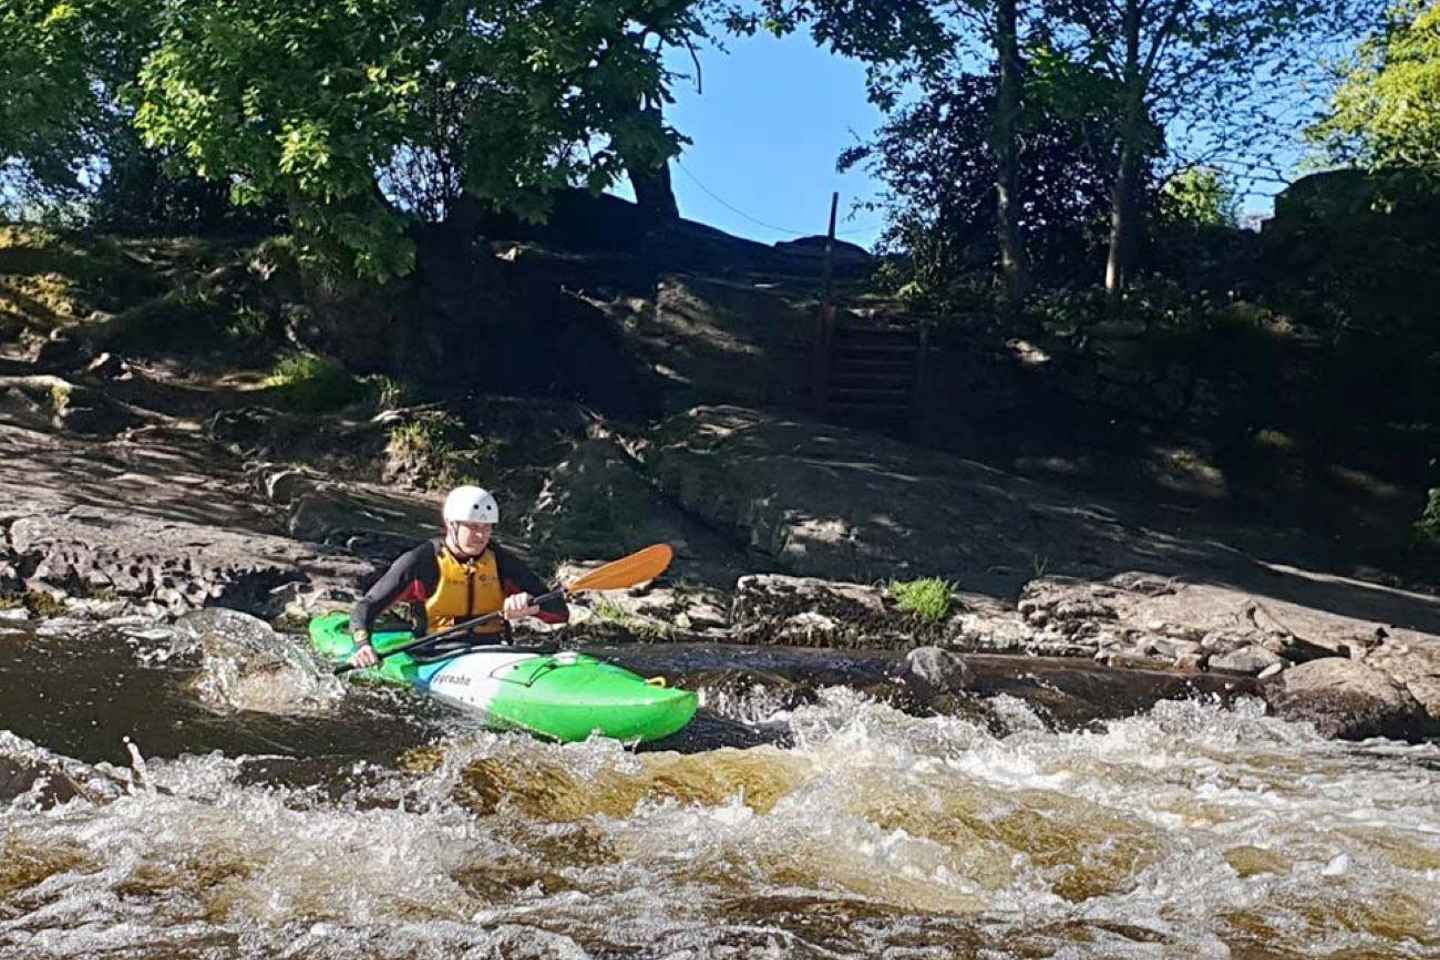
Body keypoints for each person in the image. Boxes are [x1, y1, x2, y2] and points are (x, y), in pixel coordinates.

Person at [347, 485, 569, 669]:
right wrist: (363, 644)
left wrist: (533, 608)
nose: (482, 535)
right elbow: (366, 606)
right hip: (436, 653)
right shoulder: (422, 562)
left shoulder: (502, 562)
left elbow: (560, 612)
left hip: (495, 651)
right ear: (451, 524)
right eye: (473, 527)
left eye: (487, 527)